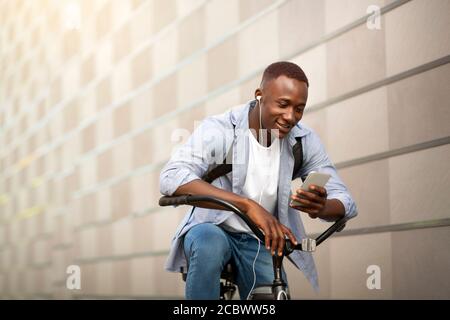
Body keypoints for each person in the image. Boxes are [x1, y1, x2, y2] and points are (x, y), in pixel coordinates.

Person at [159, 61, 357, 299]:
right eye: (283, 104)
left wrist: (323, 207)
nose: (290, 117)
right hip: (212, 228)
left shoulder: (304, 141)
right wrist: (247, 205)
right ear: (260, 96)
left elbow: (344, 200)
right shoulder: (222, 130)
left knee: (272, 295)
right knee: (207, 245)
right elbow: (172, 176)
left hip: (260, 240)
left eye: (299, 109)